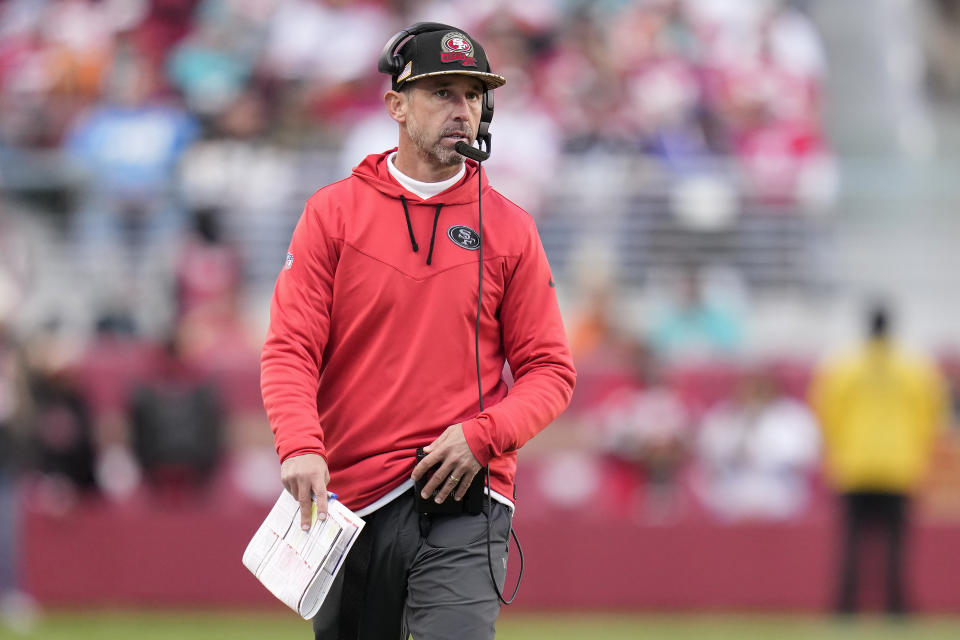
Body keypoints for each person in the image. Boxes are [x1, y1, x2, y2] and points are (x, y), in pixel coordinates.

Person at [260, 22, 576, 640]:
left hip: (466, 496)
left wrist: (485, 435)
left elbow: (551, 371)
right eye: (443, 93)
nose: (463, 109)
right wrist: (299, 444)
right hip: (348, 501)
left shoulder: (511, 229)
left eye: (473, 95)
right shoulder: (333, 213)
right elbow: (291, 347)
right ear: (396, 105)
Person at [810, 302, 947, 615]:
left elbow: (826, 411)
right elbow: (930, 414)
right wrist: (916, 450)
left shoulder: (845, 366)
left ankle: (845, 606)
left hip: (854, 464)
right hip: (898, 464)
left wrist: (838, 448)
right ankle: (896, 606)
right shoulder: (913, 368)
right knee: (897, 543)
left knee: (850, 541)